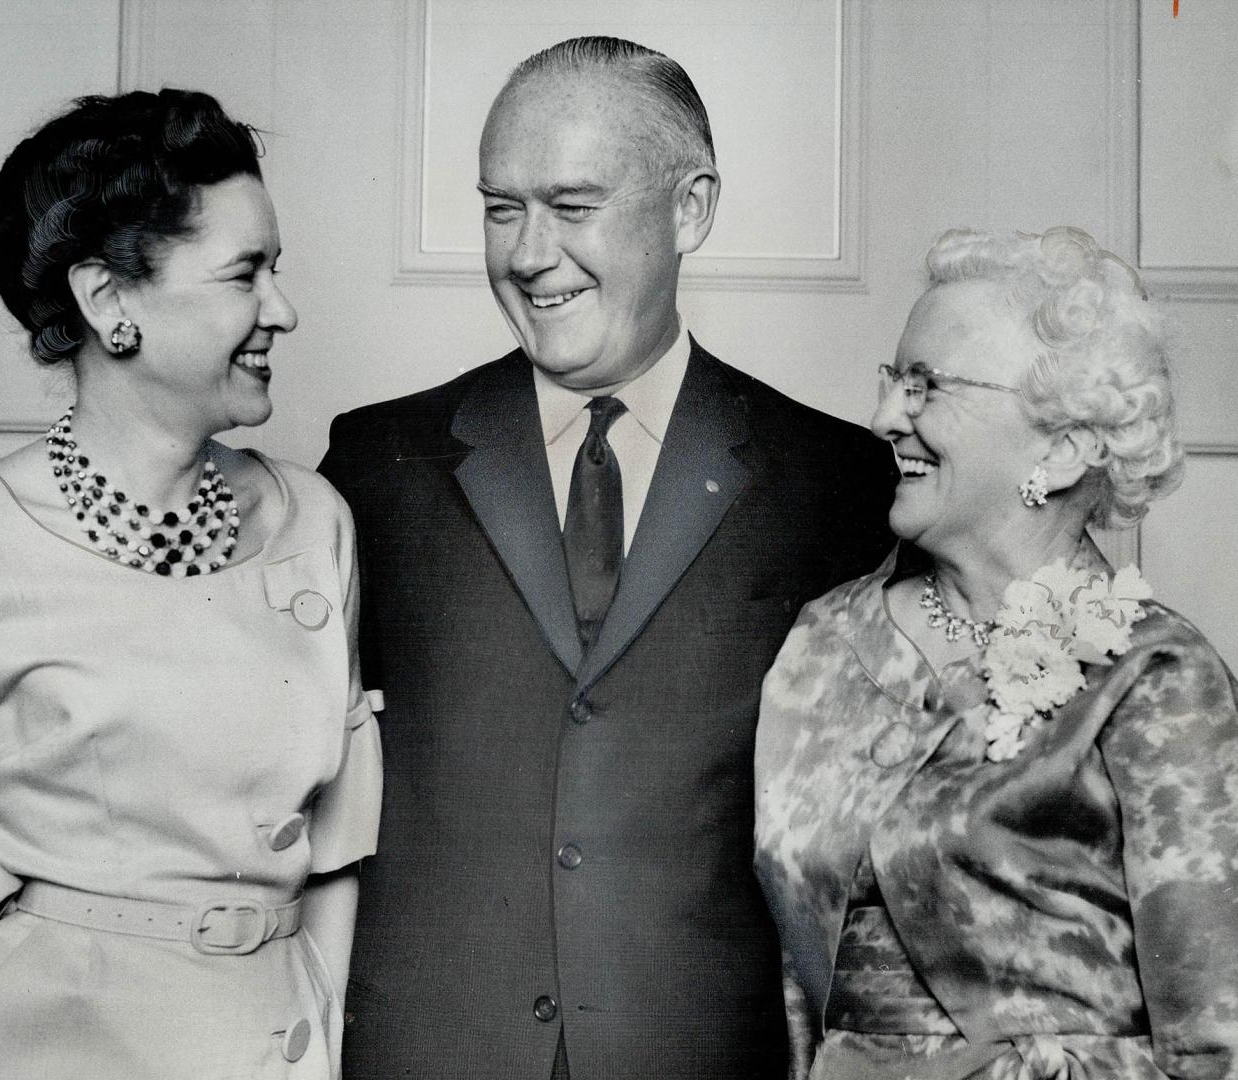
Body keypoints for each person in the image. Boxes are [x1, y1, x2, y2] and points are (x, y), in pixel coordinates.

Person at [318, 35, 896, 1080]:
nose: (528, 252)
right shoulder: (375, 463)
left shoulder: (836, 482)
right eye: (502, 208)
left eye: (573, 207)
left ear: (691, 208)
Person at [0, 89, 381, 1080]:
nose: (282, 311)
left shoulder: (316, 525)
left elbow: (336, 854)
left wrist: (316, 1030)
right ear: (109, 302)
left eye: (275, 269)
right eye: (246, 273)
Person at [754, 225, 1238, 1080]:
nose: (881, 418)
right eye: (891, 381)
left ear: (1059, 448)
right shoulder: (825, 643)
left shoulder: (1154, 677)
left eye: (924, 386)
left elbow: (1216, 1039)